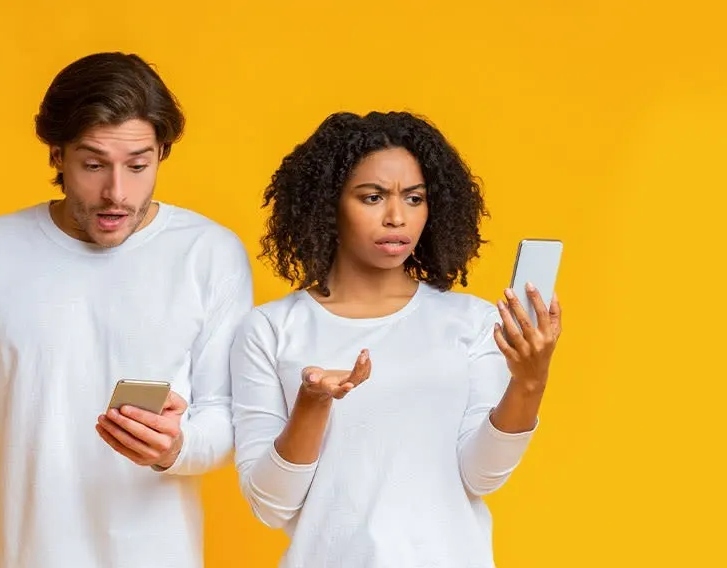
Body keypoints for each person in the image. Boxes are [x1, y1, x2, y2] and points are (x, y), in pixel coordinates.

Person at [0, 52, 253, 568]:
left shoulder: (209, 254)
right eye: (94, 164)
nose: (116, 193)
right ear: (57, 154)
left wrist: (175, 445)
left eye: (139, 165)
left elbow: (224, 418)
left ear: (162, 152)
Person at [229, 111, 563, 567]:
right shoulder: (270, 329)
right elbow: (271, 505)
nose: (396, 217)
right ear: (328, 205)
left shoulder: (468, 321)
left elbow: (481, 476)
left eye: (414, 198)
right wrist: (312, 402)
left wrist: (529, 381)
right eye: (372, 197)